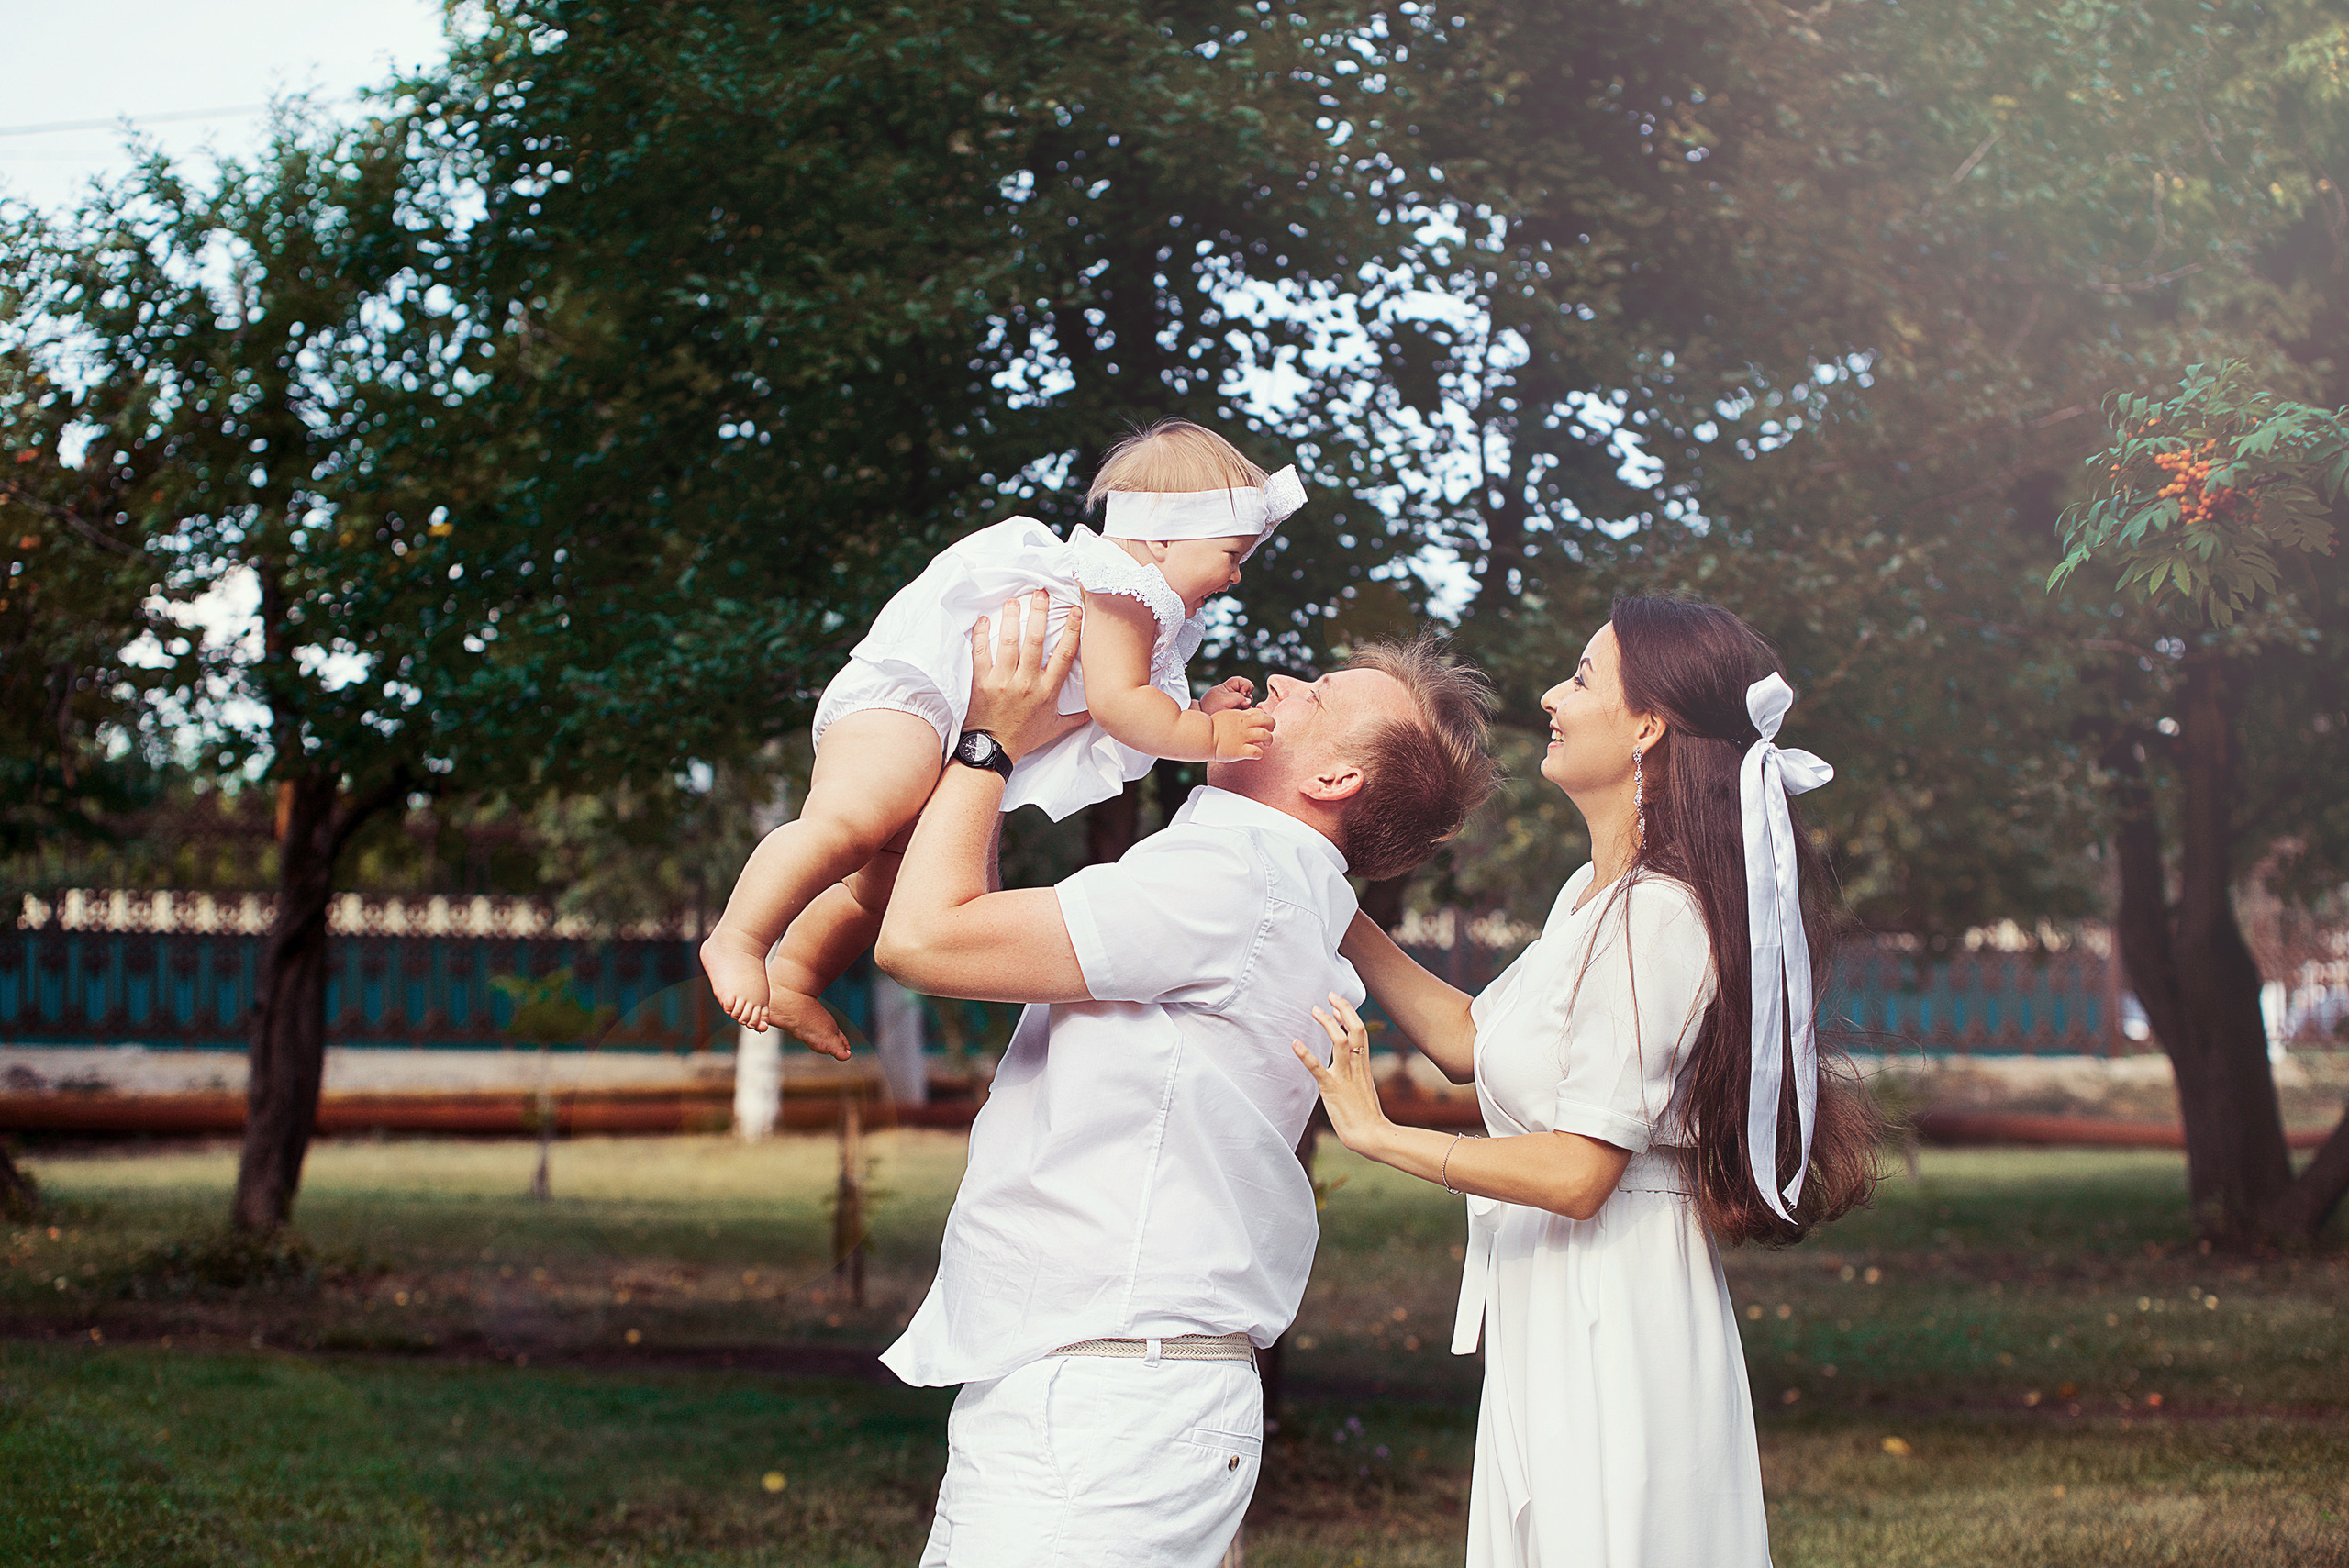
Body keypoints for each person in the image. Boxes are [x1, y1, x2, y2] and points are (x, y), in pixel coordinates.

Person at [874, 595, 1499, 1567]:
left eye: (1315, 692)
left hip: (1109, 1410)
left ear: (1335, 775)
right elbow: (979, 926)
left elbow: (924, 938)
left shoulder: (1228, 881)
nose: (1281, 680)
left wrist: (991, 738)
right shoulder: (1263, 890)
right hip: (1119, 1391)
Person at [1293, 595, 1880, 1568]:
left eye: (1579, 677)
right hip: (1553, 1295)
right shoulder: (1590, 895)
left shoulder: (1660, 916)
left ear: (1647, 724)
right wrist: (1315, 873)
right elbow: (1472, 1035)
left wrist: (1379, 1133)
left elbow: (1577, 1172)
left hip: (1616, 1309)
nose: (1549, 696)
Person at [698, 419, 1299, 1052]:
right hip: (911, 704)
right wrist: (1209, 734)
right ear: (1159, 539)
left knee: (878, 884)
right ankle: (738, 937)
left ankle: (795, 976)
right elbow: (1122, 707)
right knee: (847, 824)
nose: (1235, 577)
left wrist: (1196, 705)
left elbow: (1131, 704)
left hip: (948, 733)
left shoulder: (1140, 613)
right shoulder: (1124, 589)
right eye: (1232, 555)